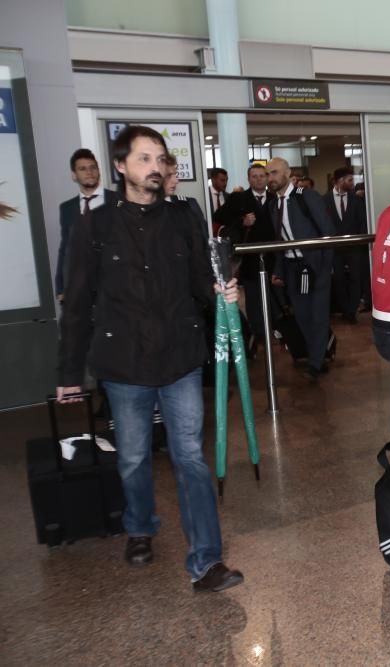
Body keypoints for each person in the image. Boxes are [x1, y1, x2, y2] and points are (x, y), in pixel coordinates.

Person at [56, 125, 244, 592]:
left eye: (160, 158)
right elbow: (78, 304)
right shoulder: (94, 227)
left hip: (179, 357)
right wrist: (68, 373)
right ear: (120, 167)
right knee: (135, 458)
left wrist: (221, 289)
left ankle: (207, 560)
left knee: (190, 460)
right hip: (124, 365)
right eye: (144, 158)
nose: (155, 167)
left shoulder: (184, 217)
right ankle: (140, 525)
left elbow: (202, 278)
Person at [267, 157, 335, 377]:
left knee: (318, 314)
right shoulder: (273, 204)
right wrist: (278, 269)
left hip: (315, 266)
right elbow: (279, 241)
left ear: (287, 174)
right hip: (293, 268)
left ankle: (316, 362)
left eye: (274, 173)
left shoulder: (307, 197)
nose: (271, 178)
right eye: (268, 174)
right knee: (303, 315)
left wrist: (325, 265)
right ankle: (318, 353)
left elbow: (327, 232)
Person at [214, 164, 276, 350]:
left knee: (274, 295)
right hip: (249, 256)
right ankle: (258, 333)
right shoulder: (239, 198)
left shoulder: (275, 198)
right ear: (249, 179)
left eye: (261, 176)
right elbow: (219, 218)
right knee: (253, 296)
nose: (258, 179)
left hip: (274, 255)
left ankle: (274, 329)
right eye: (254, 176)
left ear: (266, 178)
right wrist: (242, 222)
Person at [55, 149, 117, 302]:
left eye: (93, 167)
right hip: (80, 287)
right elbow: (65, 248)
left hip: (115, 286)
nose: (89, 172)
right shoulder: (67, 208)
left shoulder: (118, 201)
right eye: (82, 169)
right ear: (74, 175)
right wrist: (61, 287)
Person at [325, 167, 368, 323]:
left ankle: (351, 311)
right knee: (339, 280)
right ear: (339, 181)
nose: (352, 183)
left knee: (356, 279)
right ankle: (344, 309)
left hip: (354, 248)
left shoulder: (357, 200)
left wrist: (363, 246)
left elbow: (362, 222)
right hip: (335, 249)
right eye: (349, 180)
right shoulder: (325, 200)